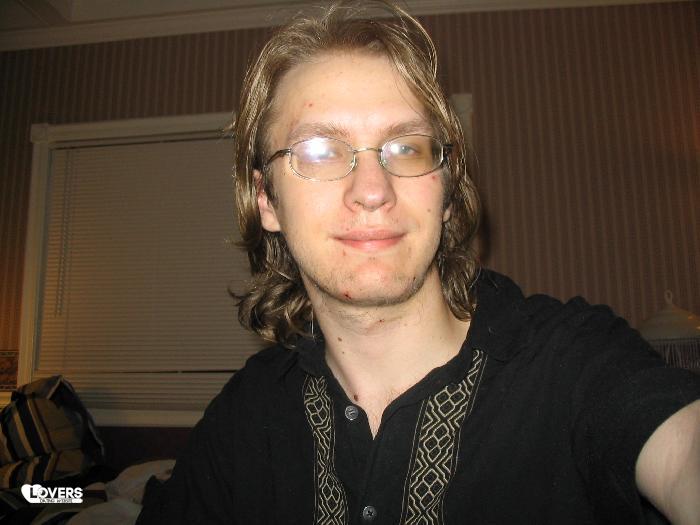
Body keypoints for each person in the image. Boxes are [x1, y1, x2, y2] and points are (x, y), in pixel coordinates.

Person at [136, 2, 700, 523]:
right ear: (266, 200)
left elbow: (681, 452)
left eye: (405, 147)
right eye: (319, 150)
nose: (372, 190)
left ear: (446, 191)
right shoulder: (246, 416)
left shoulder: (574, 362)